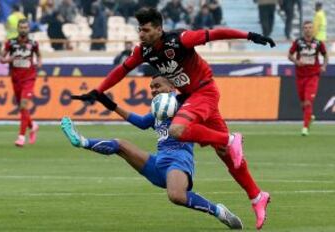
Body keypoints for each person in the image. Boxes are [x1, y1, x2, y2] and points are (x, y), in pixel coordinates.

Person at [72, 8, 275, 229]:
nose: (141, 34)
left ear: (159, 29)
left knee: (178, 130)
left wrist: (249, 35)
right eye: (139, 29)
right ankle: (257, 196)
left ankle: (229, 139)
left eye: (146, 29)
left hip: (204, 91)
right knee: (228, 156)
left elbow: (213, 34)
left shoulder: (179, 39)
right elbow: (121, 71)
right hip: (191, 96)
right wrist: (98, 90)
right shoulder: (143, 52)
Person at [64, 75, 243, 230]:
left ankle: (219, 211)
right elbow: (141, 122)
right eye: (151, 87)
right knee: (121, 145)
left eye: (158, 86)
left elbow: (202, 101)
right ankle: (83, 141)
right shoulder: (159, 110)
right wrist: (108, 103)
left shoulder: (184, 105)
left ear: (172, 86)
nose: (153, 90)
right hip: (158, 164)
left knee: (176, 196)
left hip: (179, 160)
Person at [0, 19, 41, 147]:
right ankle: (32, 125)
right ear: (18, 29)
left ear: (28, 29)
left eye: (25, 27)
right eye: (21, 27)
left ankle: (21, 137)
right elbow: (1, 59)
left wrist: (39, 63)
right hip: (16, 79)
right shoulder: (10, 43)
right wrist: (9, 59)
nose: (23, 29)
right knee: (22, 108)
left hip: (29, 79)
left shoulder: (33, 43)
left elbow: (39, 56)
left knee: (24, 105)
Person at [288, 21, 328, 136]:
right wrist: (296, 61)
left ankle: (305, 128)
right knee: (302, 103)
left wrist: (324, 66)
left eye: (310, 28)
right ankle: (309, 116)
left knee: (307, 102)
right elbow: (290, 55)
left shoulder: (318, 43)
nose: (308, 30)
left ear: (313, 29)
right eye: (306, 28)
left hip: (313, 75)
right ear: (303, 29)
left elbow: (325, 55)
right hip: (300, 76)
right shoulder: (298, 42)